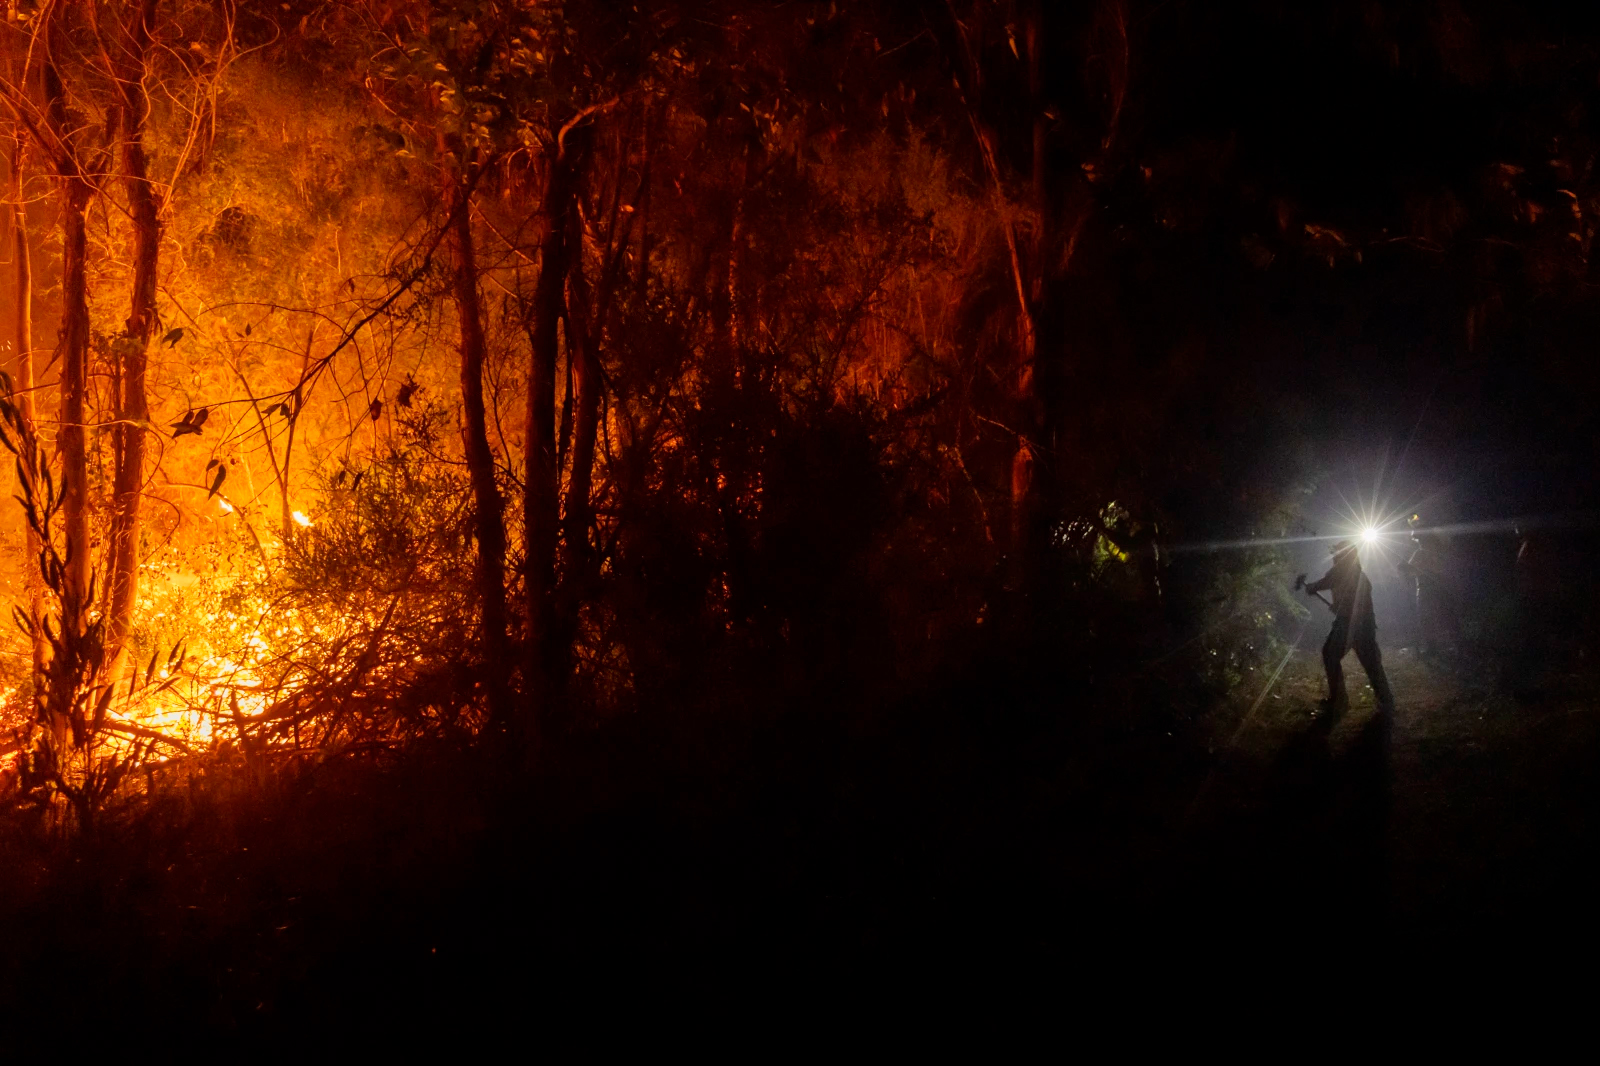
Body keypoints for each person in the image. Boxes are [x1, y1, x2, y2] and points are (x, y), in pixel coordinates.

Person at [1302, 539, 1396, 718]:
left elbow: (1328, 582)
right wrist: (1338, 606)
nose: (1335, 556)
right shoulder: (1356, 573)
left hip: (1351, 623)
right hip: (1362, 623)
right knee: (1370, 662)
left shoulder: (1344, 570)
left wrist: (1312, 587)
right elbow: (1346, 597)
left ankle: (1341, 701)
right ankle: (1385, 700)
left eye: (1337, 553)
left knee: (1331, 654)